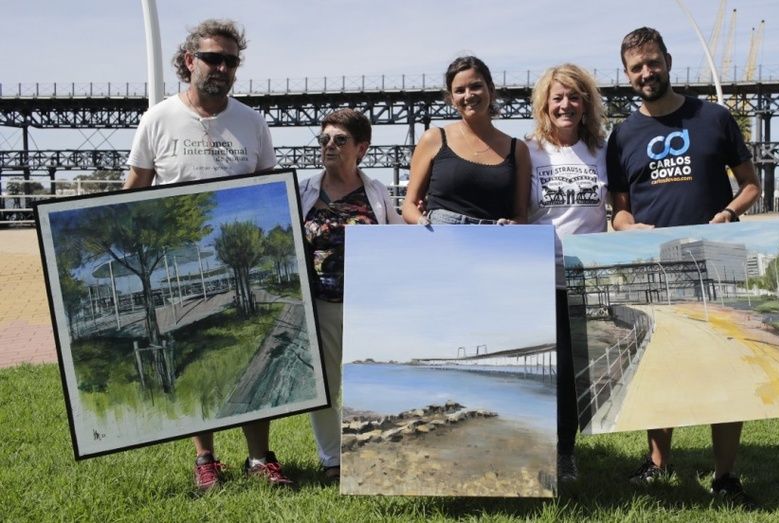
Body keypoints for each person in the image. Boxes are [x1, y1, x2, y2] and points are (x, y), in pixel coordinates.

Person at [125, 19, 291, 491]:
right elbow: (135, 187)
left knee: (251, 349)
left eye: (231, 61)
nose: (221, 67)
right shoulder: (157, 119)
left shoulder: (252, 122)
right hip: (180, 258)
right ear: (188, 61)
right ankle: (206, 459)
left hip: (242, 256)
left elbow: (268, 191)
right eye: (212, 58)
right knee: (195, 357)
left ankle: (260, 457)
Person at [606, 27, 761, 504]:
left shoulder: (713, 118)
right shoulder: (622, 135)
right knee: (657, 366)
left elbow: (751, 185)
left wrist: (729, 213)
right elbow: (620, 209)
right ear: (628, 75)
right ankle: (658, 464)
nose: (646, 73)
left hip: (715, 258)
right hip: (655, 266)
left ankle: (725, 475)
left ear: (668, 61)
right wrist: (625, 228)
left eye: (653, 62)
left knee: (725, 367)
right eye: (637, 68)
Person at [300, 109, 402, 483]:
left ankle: (372, 453)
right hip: (321, 306)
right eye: (324, 138)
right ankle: (332, 460)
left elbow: (397, 239)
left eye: (340, 140)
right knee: (326, 386)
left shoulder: (376, 193)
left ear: (362, 148)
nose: (329, 145)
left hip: (367, 307)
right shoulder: (304, 190)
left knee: (371, 379)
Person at [526, 64, 608, 482]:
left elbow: (622, 207)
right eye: (558, 97)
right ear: (544, 103)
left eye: (574, 97)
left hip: (585, 277)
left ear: (586, 104)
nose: (566, 104)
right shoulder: (529, 151)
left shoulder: (601, 151)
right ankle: (539, 447)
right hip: (539, 278)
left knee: (575, 374)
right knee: (548, 372)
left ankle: (565, 452)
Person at [401, 56, 530, 225]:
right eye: (460, 90)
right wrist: (422, 222)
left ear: (490, 90)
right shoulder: (433, 139)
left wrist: (513, 226)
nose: (468, 95)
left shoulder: (517, 149)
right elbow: (409, 205)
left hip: (495, 240)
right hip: (441, 236)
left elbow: (521, 215)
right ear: (452, 99)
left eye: (476, 86)